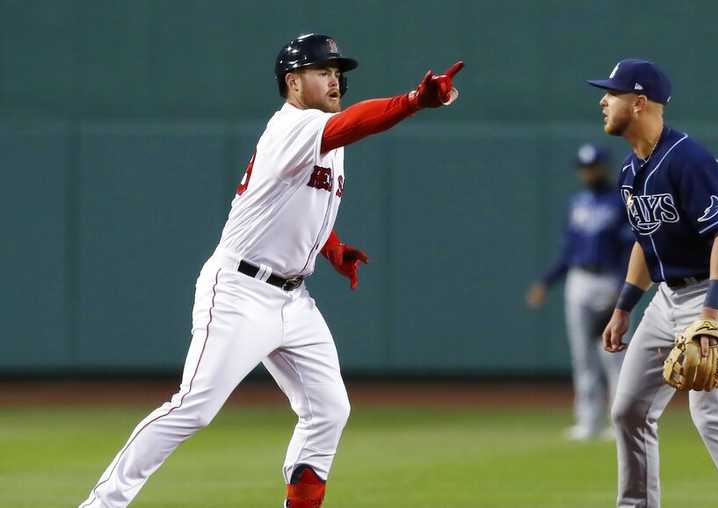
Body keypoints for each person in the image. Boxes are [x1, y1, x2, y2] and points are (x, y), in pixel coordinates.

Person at [78, 33, 463, 508]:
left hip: (294, 299)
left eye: (337, 72)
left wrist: (332, 248)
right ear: (293, 81)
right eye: (324, 71)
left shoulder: (321, 130)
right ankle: (102, 504)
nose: (335, 79)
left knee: (328, 409)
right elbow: (357, 124)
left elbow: (293, 208)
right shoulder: (293, 127)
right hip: (241, 291)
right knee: (193, 409)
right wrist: (412, 102)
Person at [588, 58, 718, 507]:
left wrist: (712, 312)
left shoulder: (689, 159)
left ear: (639, 102)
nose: (602, 101)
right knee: (628, 409)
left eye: (611, 94)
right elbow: (645, 244)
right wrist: (624, 306)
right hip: (668, 297)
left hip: (717, 293)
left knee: (713, 415)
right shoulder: (632, 171)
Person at [525, 143, 630, 441]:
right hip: (578, 280)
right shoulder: (577, 203)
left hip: (609, 281)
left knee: (613, 355)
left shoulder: (619, 203)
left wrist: (624, 292)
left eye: (593, 166)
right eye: (584, 167)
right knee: (582, 356)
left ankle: (621, 421)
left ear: (604, 167)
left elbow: (629, 251)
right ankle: (588, 420)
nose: (588, 172)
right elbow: (569, 252)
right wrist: (546, 282)